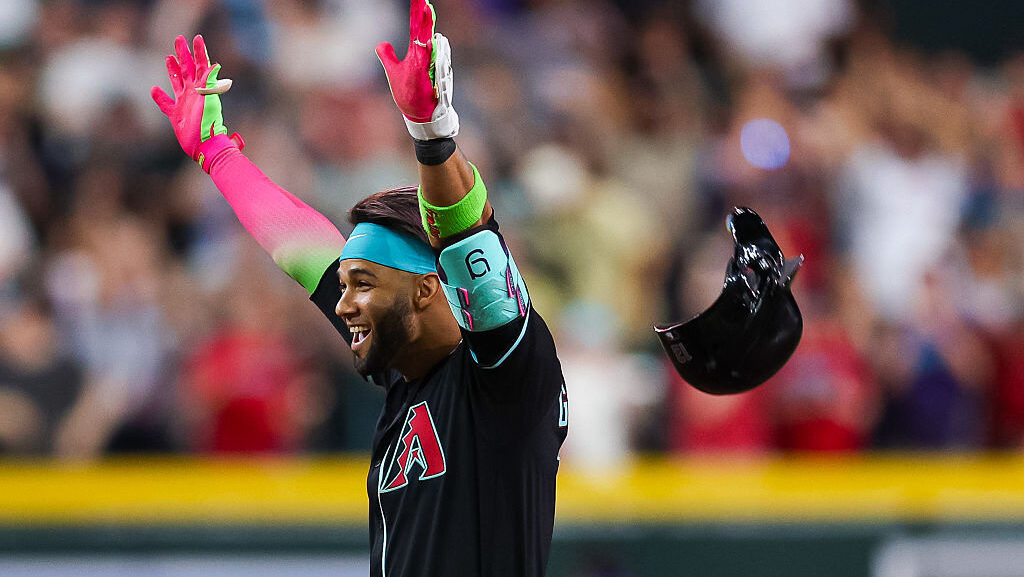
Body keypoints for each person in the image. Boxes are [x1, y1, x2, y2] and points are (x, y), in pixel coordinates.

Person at [150, 0, 569, 575]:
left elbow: (473, 248)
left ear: (427, 289)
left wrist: (433, 135)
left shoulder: (505, 376)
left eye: (363, 284)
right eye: (346, 283)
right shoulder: (405, 373)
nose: (341, 302)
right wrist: (218, 153)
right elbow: (301, 250)